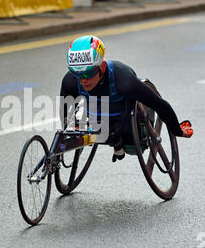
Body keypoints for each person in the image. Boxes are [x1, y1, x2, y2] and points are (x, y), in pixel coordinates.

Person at [60, 35, 193, 162]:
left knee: (134, 148)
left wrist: (178, 130)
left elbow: (159, 105)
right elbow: (64, 112)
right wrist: (70, 131)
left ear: (102, 67)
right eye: (76, 73)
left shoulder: (124, 82)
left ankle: (119, 141)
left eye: (88, 73)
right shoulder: (70, 81)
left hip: (123, 121)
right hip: (96, 120)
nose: (83, 80)